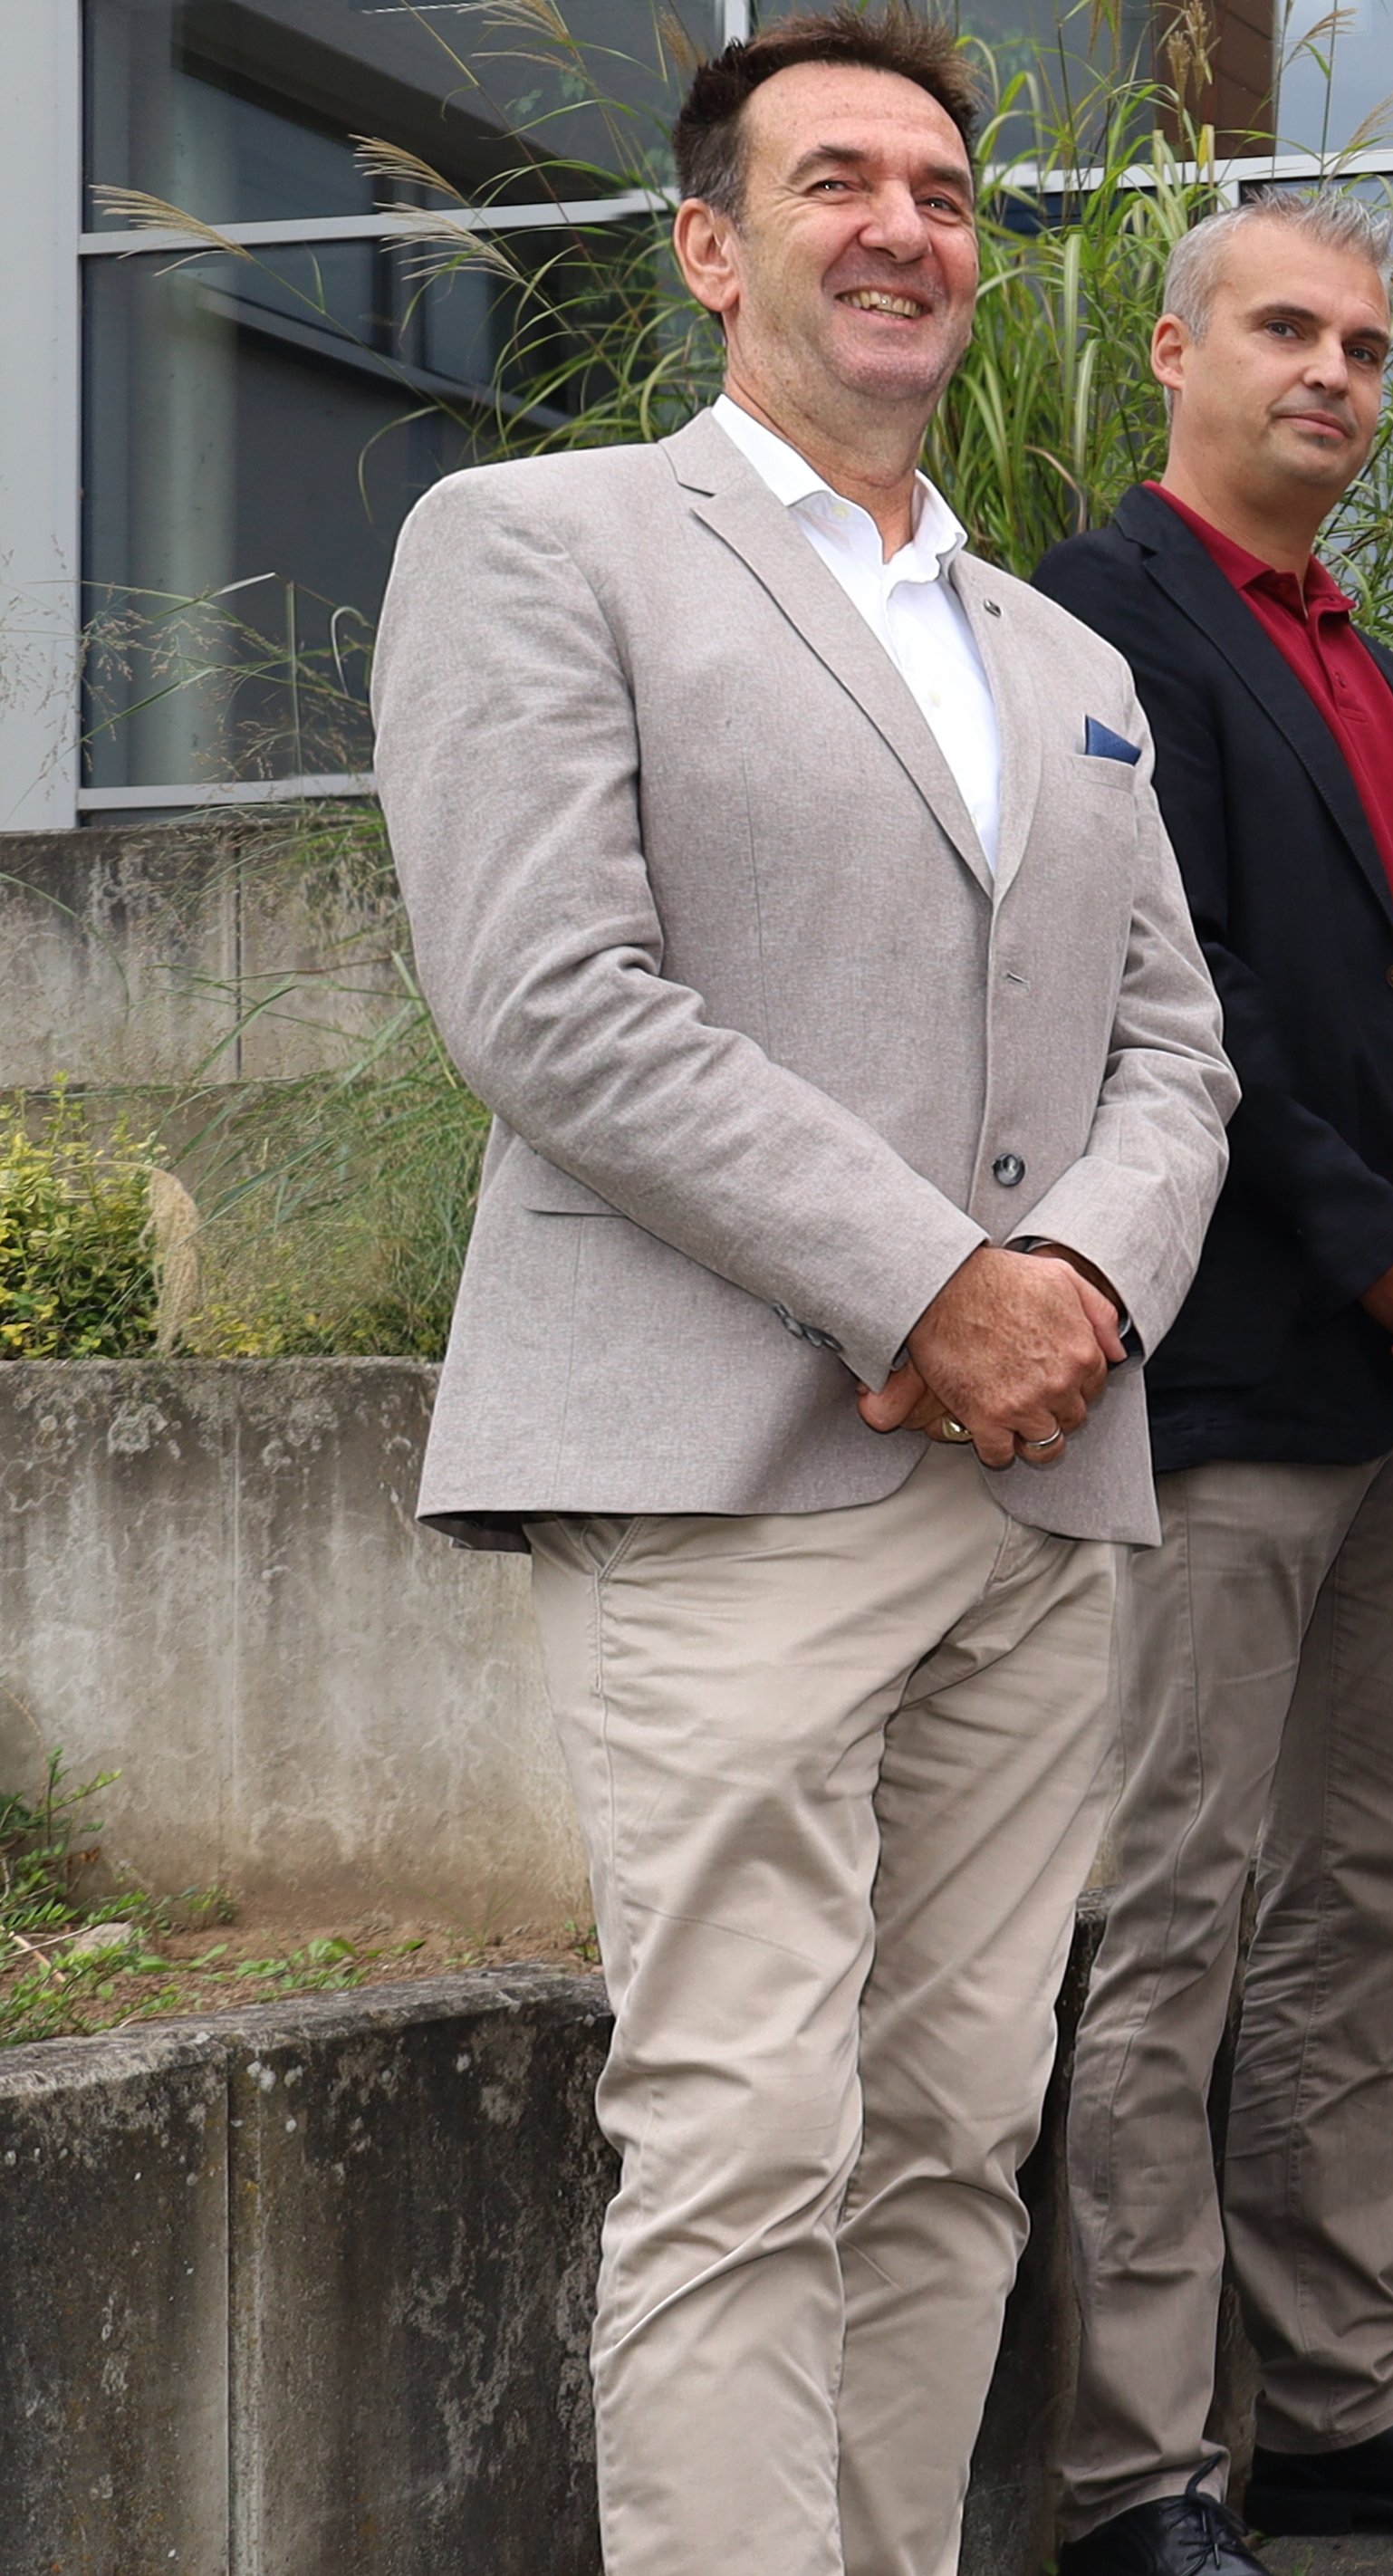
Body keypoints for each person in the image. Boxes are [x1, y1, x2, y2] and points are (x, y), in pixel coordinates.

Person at [363, 17, 1236, 2571]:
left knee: (960, 2131)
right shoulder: (540, 544)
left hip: (1037, 1477)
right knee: (746, 2133)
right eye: (836, 179)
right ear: (710, 245)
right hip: (733, 1467)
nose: (903, 227)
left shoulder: (1073, 666)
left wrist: (1066, 1280)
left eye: (947, 190)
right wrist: (930, 1276)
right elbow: (551, 996)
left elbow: (1176, 1044)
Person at [1033, 191, 1393, 2567]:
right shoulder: (1098, 622)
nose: (1332, 375)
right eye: (1286, 329)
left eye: (1368, 344)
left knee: (1373, 1894)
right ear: (1172, 345)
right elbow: (1168, 1003)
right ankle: (1137, 2467)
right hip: (1247, 1371)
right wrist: (1385, 1256)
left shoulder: (1377, 669)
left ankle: (1350, 2386)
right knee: (1166, 1915)